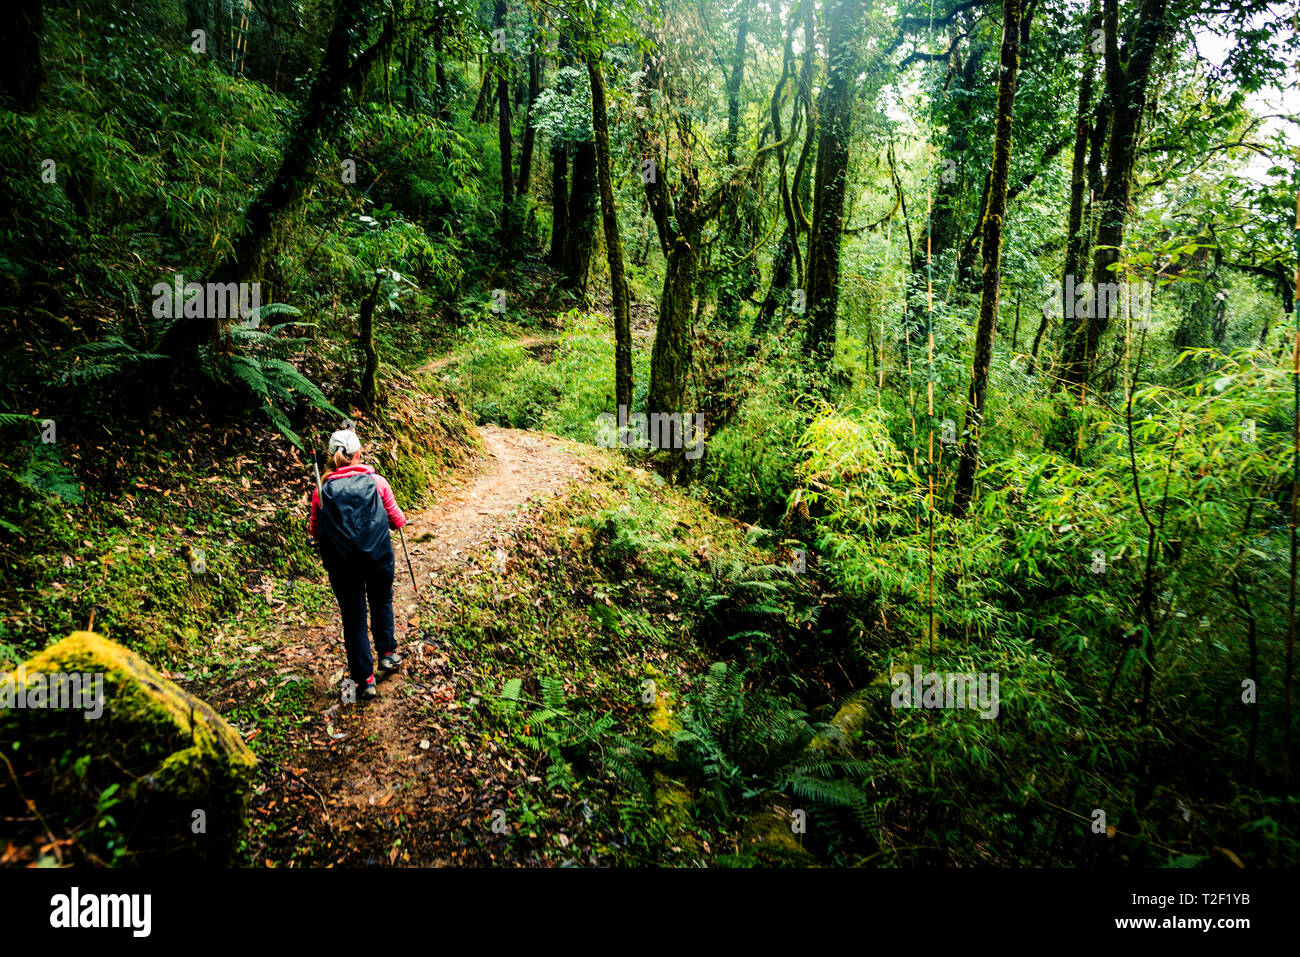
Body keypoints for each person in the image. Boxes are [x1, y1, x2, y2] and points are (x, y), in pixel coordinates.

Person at [309, 428, 406, 701]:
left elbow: (316, 530)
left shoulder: (322, 490)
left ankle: (364, 681)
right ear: (359, 454)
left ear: (331, 456)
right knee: (381, 603)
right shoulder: (377, 482)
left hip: (342, 565)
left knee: (354, 620)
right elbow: (397, 520)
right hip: (378, 558)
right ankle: (387, 654)